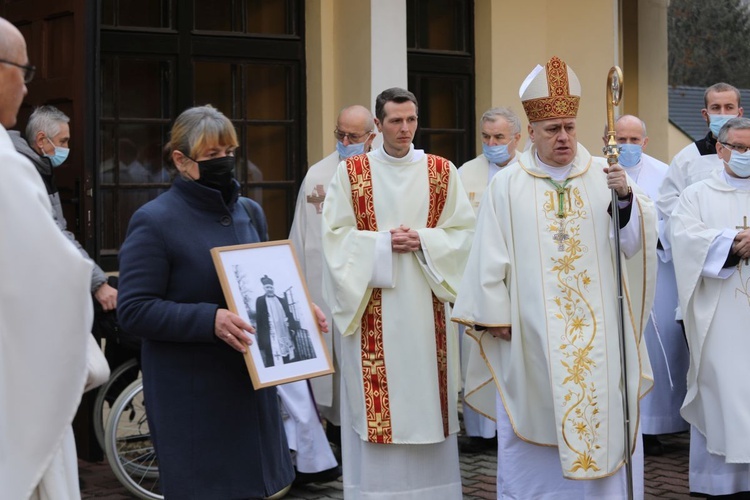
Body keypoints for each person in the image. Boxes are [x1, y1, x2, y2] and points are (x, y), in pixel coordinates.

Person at [452, 56, 657, 499]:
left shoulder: (607, 176)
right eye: (552, 129)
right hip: (530, 336)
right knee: (533, 430)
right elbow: (488, 254)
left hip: (601, 335)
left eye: (569, 127)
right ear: (532, 133)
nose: (563, 137)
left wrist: (624, 201)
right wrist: (492, 316)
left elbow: (633, 245)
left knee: (603, 418)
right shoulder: (507, 184)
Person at [118, 105, 327, 498]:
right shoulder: (155, 220)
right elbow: (134, 309)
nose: (225, 162)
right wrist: (208, 319)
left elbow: (258, 281)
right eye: (212, 155)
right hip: (194, 396)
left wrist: (298, 306)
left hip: (251, 389)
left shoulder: (250, 211)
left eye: (229, 151)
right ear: (181, 160)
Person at [321, 87, 475, 498]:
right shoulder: (352, 174)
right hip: (373, 305)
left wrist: (424, 240)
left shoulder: (443, 171)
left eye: (411, 120)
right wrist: (379, 244)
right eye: (395, 121)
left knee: (429, 404)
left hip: (428, 313)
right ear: (378, 125)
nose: (404, 129)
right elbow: (333, 238)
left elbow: (465, 234)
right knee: (377, 413)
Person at [0, 16, 94, 499]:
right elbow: (52, 272)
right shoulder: (8, 169)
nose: (25, 85)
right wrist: (93, 281)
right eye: (25, 71)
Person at [669, 116, 750, 497]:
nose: (746, 155)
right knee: (720, 389)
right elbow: (683, 239)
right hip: (717, 316)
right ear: (720, 150)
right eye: (739, 148)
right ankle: (717, 483)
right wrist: (730, 241)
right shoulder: (697, 194)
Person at [289, 104, 377, 447]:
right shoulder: (317, 175)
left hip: (366, 286)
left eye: (352, 136)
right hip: (323, 285)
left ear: (371, 136)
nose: (344, 140)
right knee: (330, 364)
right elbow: (300, 234)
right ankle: (333, 437)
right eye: (339, 133)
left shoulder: (381, 172)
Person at [610, 115, 689, 456]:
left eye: (633, 139)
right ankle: (624, 420)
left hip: (656, 268)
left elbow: (678, 217)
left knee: (658, 346)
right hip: (614, 269)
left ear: (645, 141)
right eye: (620, 139)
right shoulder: (599, 171)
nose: (627, 146)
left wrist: (651, 233)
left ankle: (657, 424)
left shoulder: (665, 172)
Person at [9, 105, 118, 311]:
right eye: (63, 141)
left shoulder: (40, 167)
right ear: (42, 140)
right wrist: (97, 282)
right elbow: (55, 232)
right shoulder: (27, 172)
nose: (66, 148)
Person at [456, 106, 521, 453]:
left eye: (499, 137)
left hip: (520, 281)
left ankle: (514, 424)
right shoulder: (465, 173)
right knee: (476, 354)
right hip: (477, 278)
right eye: (486, 137)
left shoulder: (530, 172)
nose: (492, 143)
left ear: (517, 139)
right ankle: (481, 431)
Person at [658, 83, 744, 250]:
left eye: (729, 107)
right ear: (706, 114)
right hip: (707, 246)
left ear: (739, 113)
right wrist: (704, 232)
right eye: (716, 108)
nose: (723, 114)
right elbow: (668, 203)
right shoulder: (687, 159)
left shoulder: (747, 156)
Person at [255, 274, 300, 367]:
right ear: (264, 288)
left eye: (271, 287)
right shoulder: (260, 301)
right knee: (273, 358)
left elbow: (289, 315)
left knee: (288, 357)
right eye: (267, 287)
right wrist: (261, 342)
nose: (270, 289)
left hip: (284, 332)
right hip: (271, 334)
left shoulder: (282, 300)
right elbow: (259, 321)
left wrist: (292, 327)